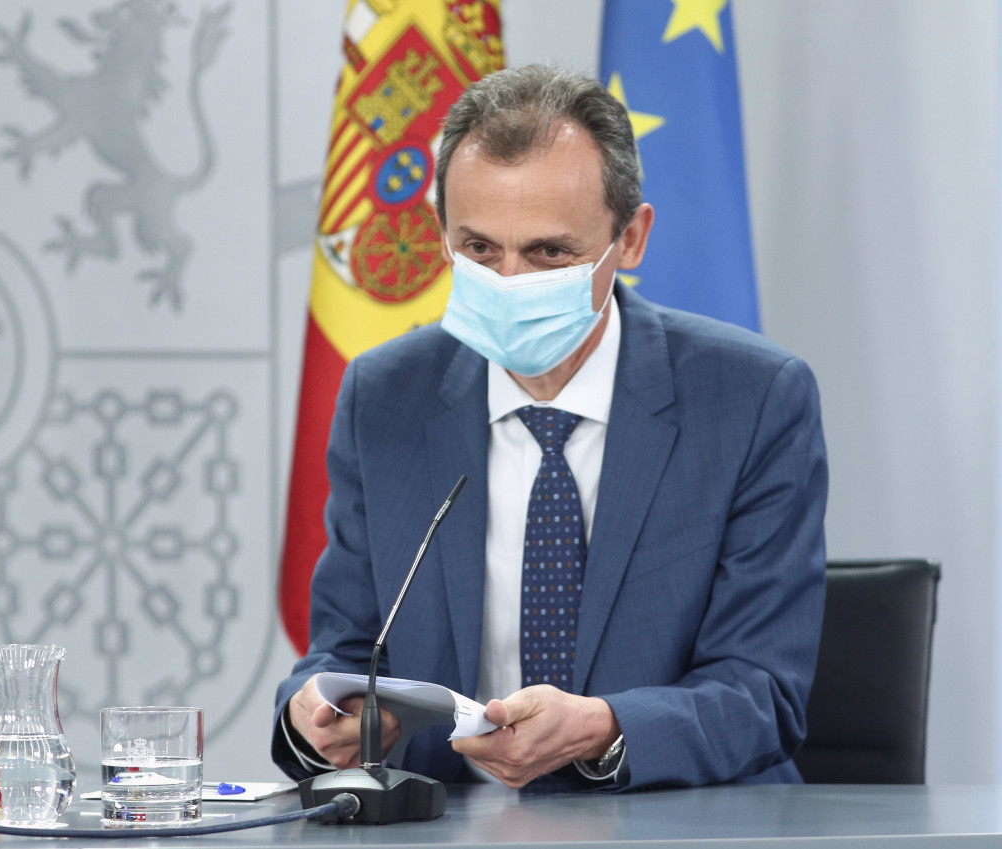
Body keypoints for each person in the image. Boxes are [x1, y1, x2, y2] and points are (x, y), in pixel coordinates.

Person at [272, 64, 827, 791]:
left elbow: (763, 693)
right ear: (440, 234)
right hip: (450, 824)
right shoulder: (385, 395)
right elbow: (340, 650)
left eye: (547, 252)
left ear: (629, 238)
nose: (508, 281)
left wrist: (606, 725)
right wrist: (319, 715)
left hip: (676, 826)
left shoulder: (752, 398)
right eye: (478, 249)